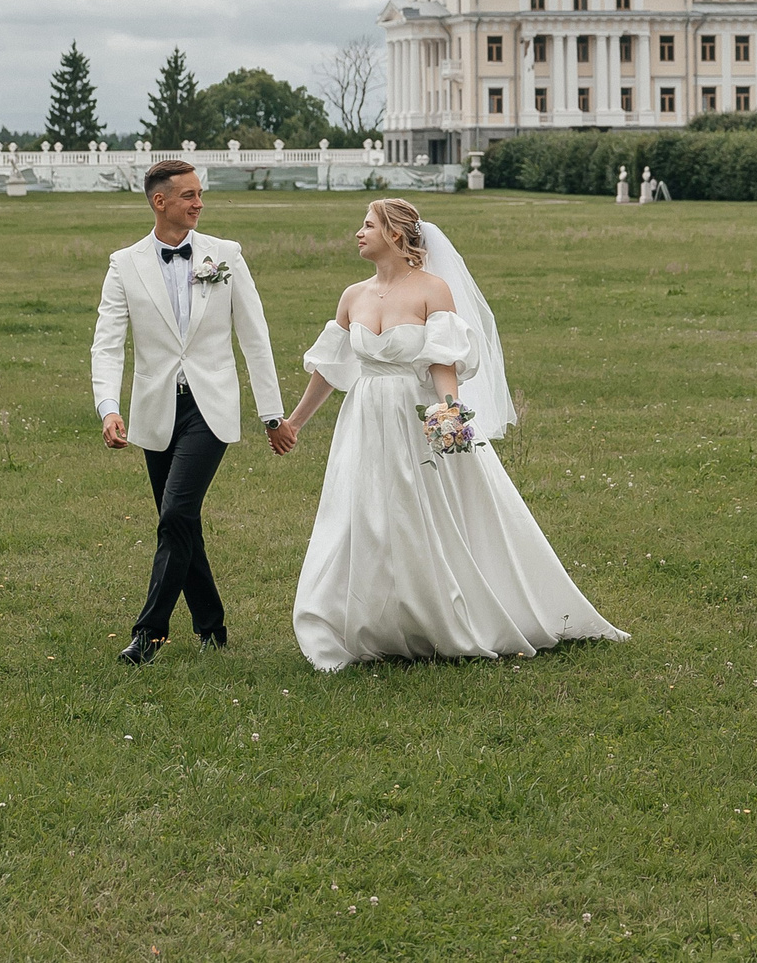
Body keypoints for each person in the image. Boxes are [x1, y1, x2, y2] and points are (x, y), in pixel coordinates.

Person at [272, 198, 626, 671]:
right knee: (360, 513)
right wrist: (294, 422)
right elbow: (331, 369)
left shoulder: (431, 291)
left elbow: (442, 363)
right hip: (363, 418)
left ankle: (439, 614)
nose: (358, 233)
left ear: (395, 235)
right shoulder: (352, 295)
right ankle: (357, 619)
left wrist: (450, 414)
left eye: (368, 224)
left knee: (422, 511)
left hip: (413, 414)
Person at [91, 158, 285, 664]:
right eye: (190, 196)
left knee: (176, 512)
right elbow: (108, 344)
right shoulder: (124, 263)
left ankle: (149, 633)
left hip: (210, 407)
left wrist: (271, 413)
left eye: (201, 194)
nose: (200, 203)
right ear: (161, 202)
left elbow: (255, 336)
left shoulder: (226, 255)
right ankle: (212, 626)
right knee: (181, 522)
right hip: (156, 407)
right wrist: (108, 408)